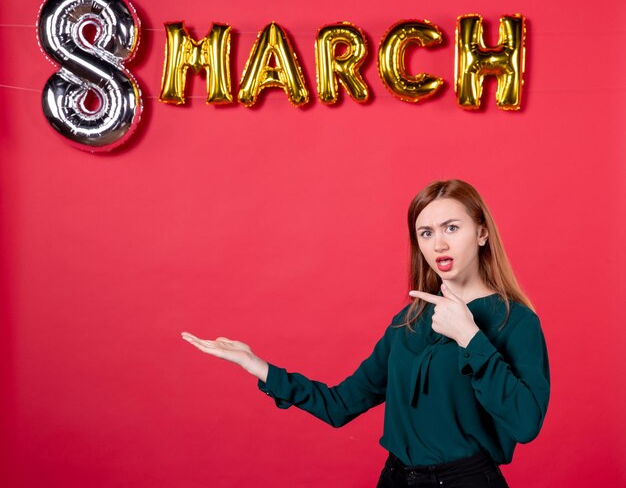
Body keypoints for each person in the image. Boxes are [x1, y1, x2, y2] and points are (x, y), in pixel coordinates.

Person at [182, 179, 550, 487]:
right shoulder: (407, 322)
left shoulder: (514, 322)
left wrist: (470, 338)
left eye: (451, 228)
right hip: (395, 479)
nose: (438, 244)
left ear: (481, 232)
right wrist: (258, 366)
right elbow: (341, 406)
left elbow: (525, 423)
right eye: (426, 232)